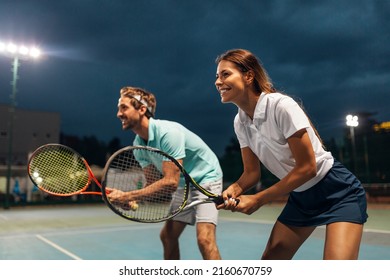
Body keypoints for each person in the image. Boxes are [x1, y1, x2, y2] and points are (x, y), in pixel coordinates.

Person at [214, 48, 368, 260]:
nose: (218, 82)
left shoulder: (281, 106)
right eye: (217, 76)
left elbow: (307, 168)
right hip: (302, 198)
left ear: (248, 76)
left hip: (338, 192)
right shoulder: (240, 122)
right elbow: (251, 173)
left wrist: (258, 199)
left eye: (225, 74)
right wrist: (235, 188)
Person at [112, 86, 223, 260]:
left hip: (206, 179)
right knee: (168, 236)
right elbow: (153, 184)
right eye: (119, 108)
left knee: (205, 239)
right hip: (183, 185)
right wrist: (133, 199)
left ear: (142, 109)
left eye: (124, 107)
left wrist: (128, 195)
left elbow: (170, 182)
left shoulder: (167, 133)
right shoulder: (138, 146)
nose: (118, 114)